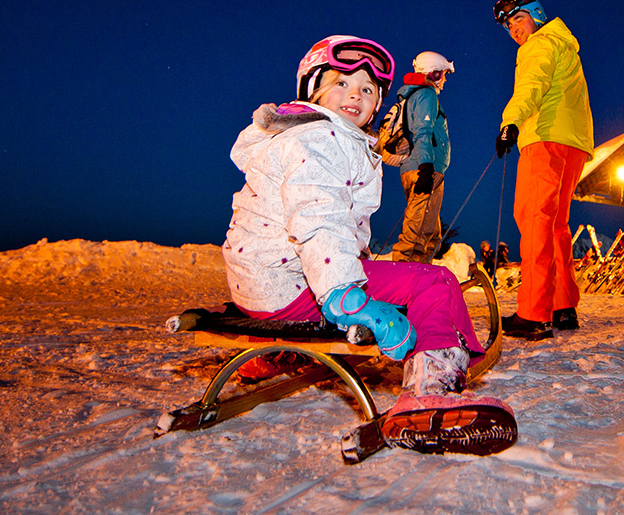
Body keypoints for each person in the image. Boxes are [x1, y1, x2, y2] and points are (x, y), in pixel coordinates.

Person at [220, 35, 516, 455]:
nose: (354, 95)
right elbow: (317, 217)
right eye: (341, 83)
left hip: (264, 283)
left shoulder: (313, 135)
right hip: (295, 285)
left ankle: (287, 351)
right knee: (434, 282)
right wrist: (350, 297)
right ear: (314, 89)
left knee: (397, 274)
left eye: (366, 90)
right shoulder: (320, 139)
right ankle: (431, 392)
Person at [492, 0, 594, 341]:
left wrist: (511, 122)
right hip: (573, 143)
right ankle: (563, 306)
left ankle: (533, 313)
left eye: (517, 20)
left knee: (534, 219)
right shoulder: (564, 44)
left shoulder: (538, 45)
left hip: (545, 138)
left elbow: (531, 85)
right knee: (555, 224)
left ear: (535, 15)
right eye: (508, 26)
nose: (514, 30)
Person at [387, 51, 455, 262]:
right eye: (442, 74)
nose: (444, 80)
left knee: (430, 235)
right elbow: (423, 131)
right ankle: (404, 280)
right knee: (417, 236)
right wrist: (426, 168)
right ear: (433, 74)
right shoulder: (426, 96)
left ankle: (421, 281)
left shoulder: (412, 97)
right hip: (424, 169)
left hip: (415, 168)